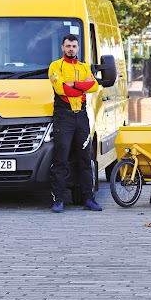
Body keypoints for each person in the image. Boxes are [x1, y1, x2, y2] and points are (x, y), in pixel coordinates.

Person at [48, 34, 102, 213]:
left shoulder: (84, 67)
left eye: (74, 46)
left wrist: (74, 84)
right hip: (64, 117)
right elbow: (60, 88)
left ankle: (89, 198)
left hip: (81, 117)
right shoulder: (56, 66)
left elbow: (94, 86)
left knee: (85, 159)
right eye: (68, 46)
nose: (71, 49)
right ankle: (59, 200)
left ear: (78, 48)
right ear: (62, 48)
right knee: (60, 159)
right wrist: (80, 86)